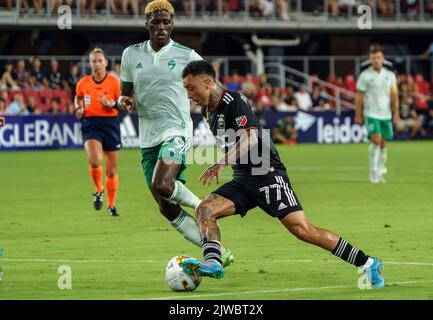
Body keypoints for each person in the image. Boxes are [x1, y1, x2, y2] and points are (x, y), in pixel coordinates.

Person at [180, 60, 385, 288]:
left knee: (302, 230)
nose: (189, 94)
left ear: (208, 83)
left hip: (267, 173)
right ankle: (212, 261)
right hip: (244, 178)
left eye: (191, 88)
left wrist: (222, 162)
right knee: (204, 209)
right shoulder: (208, 110)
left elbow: (252, 138)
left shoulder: (234, 102)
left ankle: (367, 262)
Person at [118, 0, 233, 266]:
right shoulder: (130, 55)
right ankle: (219, 251)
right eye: (156, 22)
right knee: (165, 205)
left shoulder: (187, 55)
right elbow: (126, 94)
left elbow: (212, 87)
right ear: (146, 23)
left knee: (163, 185)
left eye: (166, 22)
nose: (161, 26)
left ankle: (202, 206)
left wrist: (232, 108)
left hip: (177, 129)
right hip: (147, 136)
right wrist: (124, 102)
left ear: (172, 25)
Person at [75, 47, 121, 217]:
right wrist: (78, 107)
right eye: (94, 61)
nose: (97, 64)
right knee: (95, 161)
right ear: (90, 63)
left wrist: (111, 104)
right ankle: (98, 189)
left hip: (110, 124)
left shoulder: (115, 83)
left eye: (100, 60)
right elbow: (78, 97)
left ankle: (111, 205)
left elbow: (126, 104)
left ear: (106, 63)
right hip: (90, 123)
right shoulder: (83, 83)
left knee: (111, 171)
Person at [355, 44, 400, 184]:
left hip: (386, 114)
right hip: (371, 113)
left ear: (382, 58)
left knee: (383, 144)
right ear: (370, 59)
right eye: (373, 58)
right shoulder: (365, 75)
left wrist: (396, 113)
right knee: (376, 140)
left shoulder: (390, 75)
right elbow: (359, 96)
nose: (376, 60)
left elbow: (394, 96)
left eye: (378, 57)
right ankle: (373, 171)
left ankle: (381, 171)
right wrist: (358, 114)